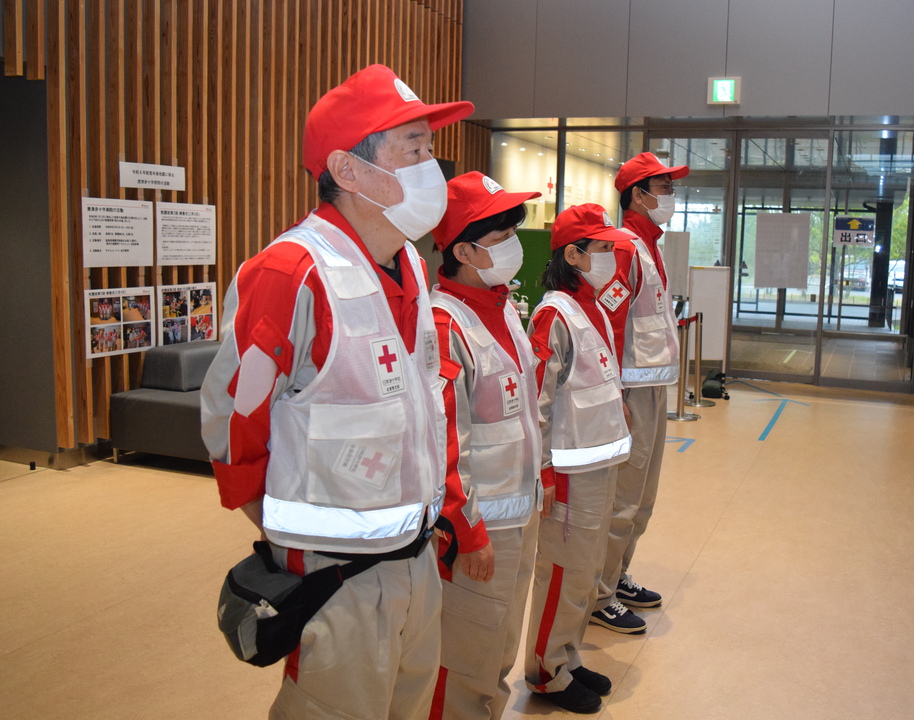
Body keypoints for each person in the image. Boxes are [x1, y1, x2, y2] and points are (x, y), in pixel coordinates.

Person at [200, 64, 473, 719]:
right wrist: (290, 541)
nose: (432, 167)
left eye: (430, 149)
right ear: (348, 169)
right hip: (337, 575)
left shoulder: (411, 264)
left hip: (417, 556)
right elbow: (232, 421)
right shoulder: (291, 272)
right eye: (413, 148)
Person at [426, 172, 544, 720]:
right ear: (464, 251)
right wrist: (466, 532)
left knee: (498, 645)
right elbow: (446, 443)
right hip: (479, 526)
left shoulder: (503, 308)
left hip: (518, 513)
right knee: (465, 656)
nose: (514, 245)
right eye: (502, 237)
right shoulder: (445, 324)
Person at [524, 203, 632, 715]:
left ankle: (566, 656)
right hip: (568, 473)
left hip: (598, 466)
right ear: (573, 255)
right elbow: (537, 402)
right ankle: (546, 671)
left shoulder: (591, 308)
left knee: (585, 571)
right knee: (563, 575)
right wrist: (543, 472)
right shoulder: (554, 315)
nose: (612, 256)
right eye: (603, 248)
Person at [589, 152, 688, 634]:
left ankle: (617, 575)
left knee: (642, 499)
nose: (671, 196)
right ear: (638, 195)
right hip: (631, 393)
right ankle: (598, 594)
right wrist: (617, 398)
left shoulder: (650, 246)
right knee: (624, 499)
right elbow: (606, 326)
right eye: (664, 188)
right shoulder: (624, 248)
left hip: (653, 388)